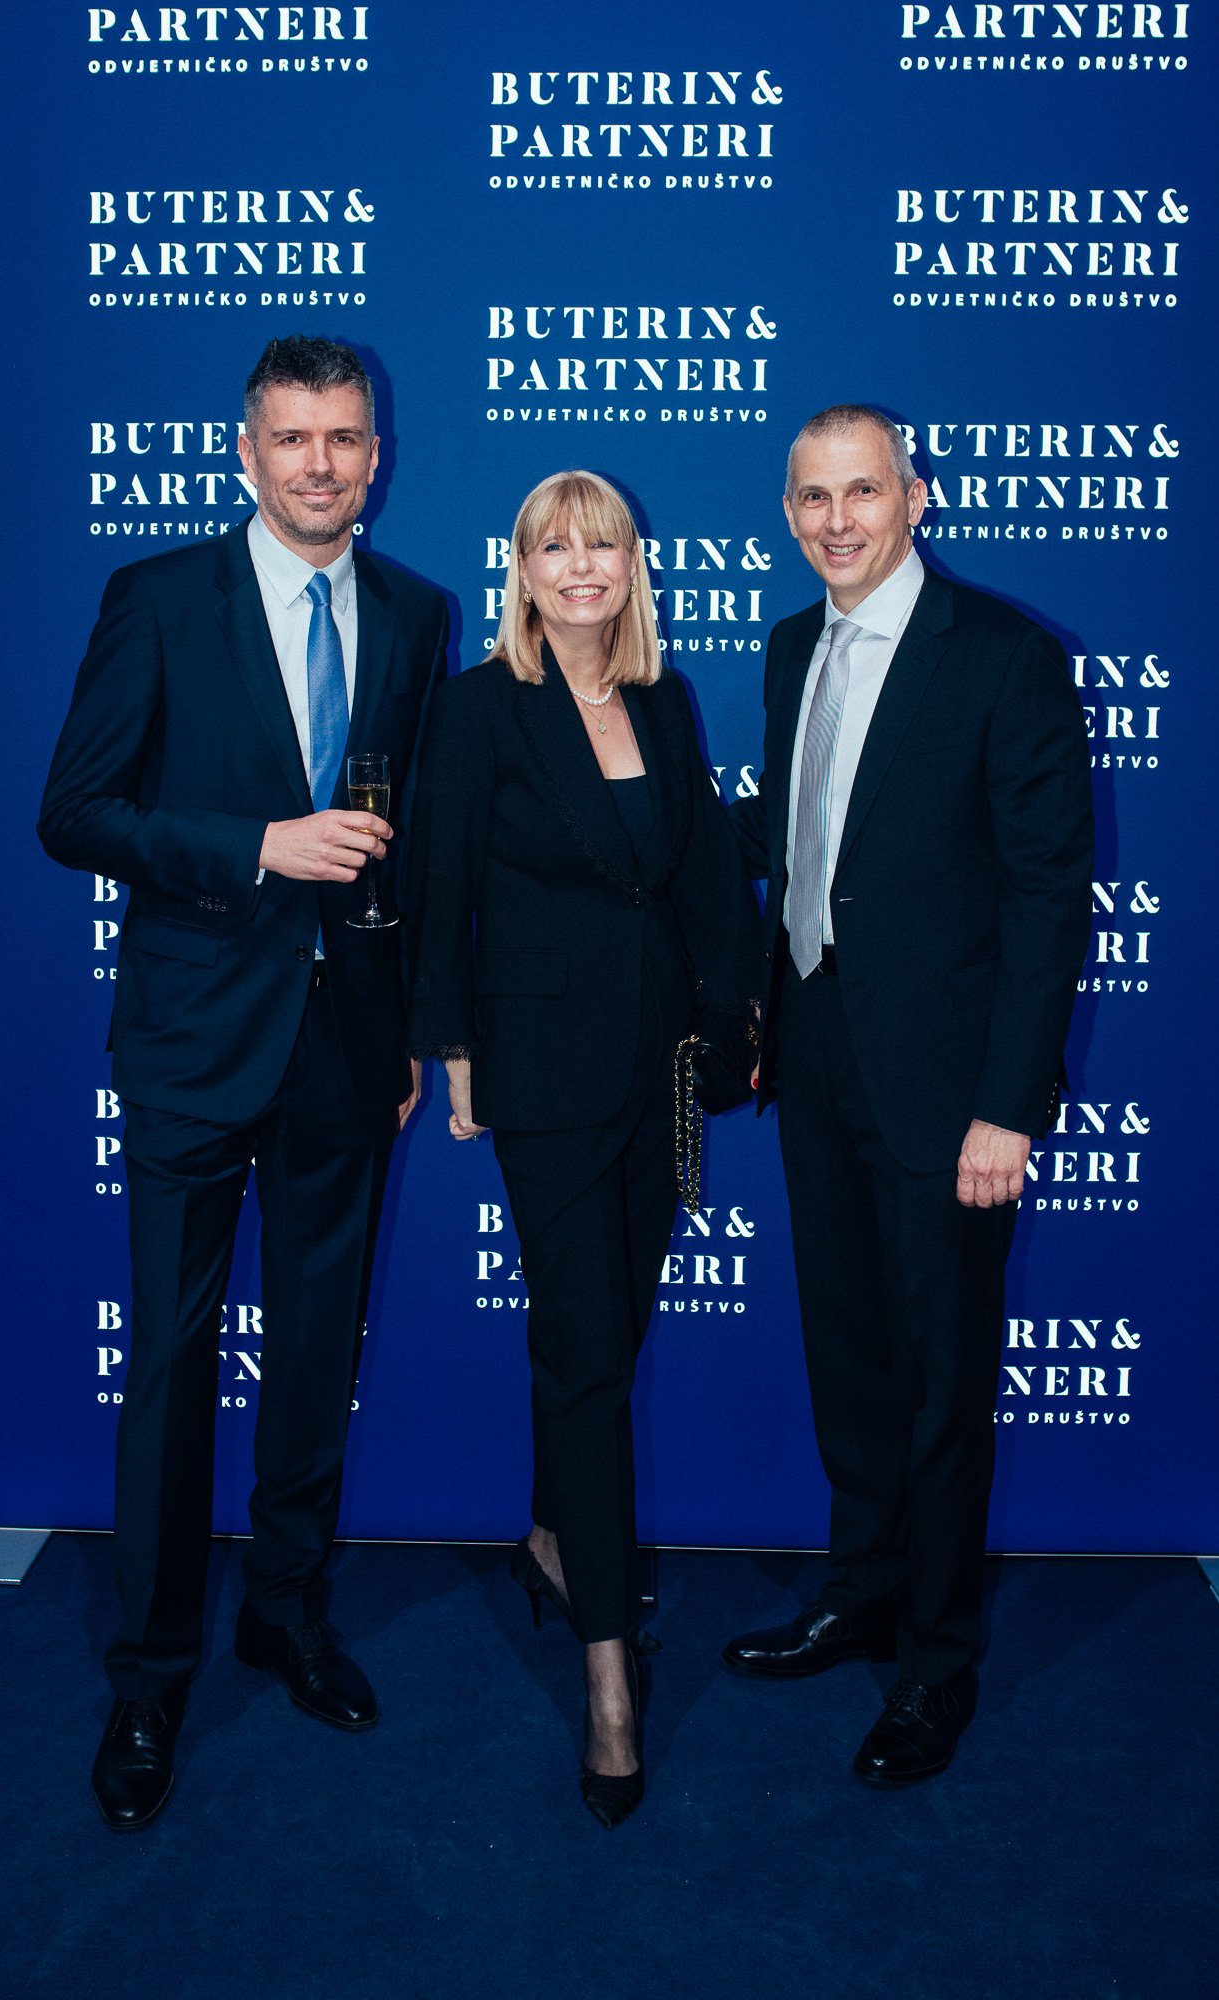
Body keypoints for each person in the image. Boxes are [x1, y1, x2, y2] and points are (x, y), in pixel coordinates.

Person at [39, 335, 448, 1830]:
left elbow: (410, 851)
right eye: (293, 438)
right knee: (169, 1360)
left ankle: (285, 1613)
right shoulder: (157, 599)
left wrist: (406, 1034)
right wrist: (253, 847)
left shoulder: (415, 613)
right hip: (194, 1042)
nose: (319, 465)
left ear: (375, 456)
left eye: (343, 439)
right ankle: (150, 1678)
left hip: (347, 1051)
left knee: (317, 1349)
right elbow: (74, 811)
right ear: (247, 451)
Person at [723, 404, 1094, 1785]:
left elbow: (1048, 899)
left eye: (862, 492)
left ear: (915, 497)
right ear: (788, 512)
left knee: (941, 1380)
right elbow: (793, 839)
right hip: (814, 1056)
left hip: (950, 1095)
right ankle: (862, 1589)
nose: (837, 521)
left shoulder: (1001, 656)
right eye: (812, 498)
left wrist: (1009, 1106)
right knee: (849, 1354)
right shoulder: (789, 647)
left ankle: (936, 1664)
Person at [407, 471, 762, 1828]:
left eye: (600, 545)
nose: (578, 567)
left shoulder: (664, 701)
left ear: (630, 568)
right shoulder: (479, 706)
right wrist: (451, 1049)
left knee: (604, 1340)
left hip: (658, 1073)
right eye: (552, 547)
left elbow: (700, 877)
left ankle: (556, 1538)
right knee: (584, 1352)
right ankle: (610, 1678)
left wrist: (738, 1021)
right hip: (545, 1079)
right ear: (522, 570)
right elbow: (439, 882)